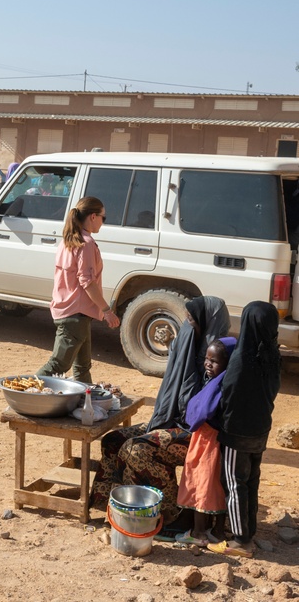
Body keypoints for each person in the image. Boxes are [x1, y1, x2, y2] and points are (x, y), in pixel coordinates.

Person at [90, 296, 230, 524]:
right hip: (169, 420)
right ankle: (112, 509)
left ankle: (168, 514)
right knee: (113, 440)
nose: (188, 325)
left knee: (137, 449)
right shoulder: (187, 345)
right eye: (187, 319)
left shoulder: (220, 357)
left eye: (193, 321)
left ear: (208, 322)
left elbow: (203, 411)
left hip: (197, 434)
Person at [208, 301, 281, 559]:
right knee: (250, 481)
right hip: (260, 430)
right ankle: (248, 529)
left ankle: (240, 541)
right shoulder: (272, 355)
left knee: (234, 483)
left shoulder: (242, 357)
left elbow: (230, 394)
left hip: (237, 432)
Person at [35, 197, 120, 384]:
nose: (103, 223)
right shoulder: (86, 242)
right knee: (58, 364)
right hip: (75, 313)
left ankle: (85, 403)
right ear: (93, 216)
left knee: (82, 367)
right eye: (103, 218)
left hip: (71, 311)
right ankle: (25, 393)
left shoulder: (68, 240)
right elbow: (87, 281)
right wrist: (107, 311)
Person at [176, 337, 234, 546]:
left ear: (228, 363)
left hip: (207, 440)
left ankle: (198, 532)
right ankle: (217, 531)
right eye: (207, 359)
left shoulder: (220, 386)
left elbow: (204, 411)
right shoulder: (222, 381)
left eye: (214, 361)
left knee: (201, 482)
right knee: (216, 485)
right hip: (213, 439)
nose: (208, 364)